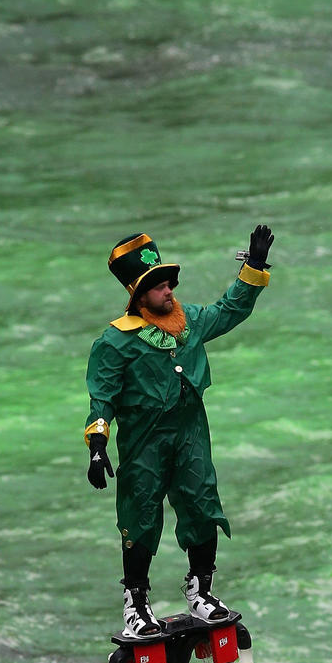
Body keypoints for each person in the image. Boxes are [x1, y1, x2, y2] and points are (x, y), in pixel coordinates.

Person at [84, 225, 274, 638]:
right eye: (159, 287)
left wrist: (254, 268)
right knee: (141, 515)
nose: (169, 292)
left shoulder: (189, 323)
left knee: (203, 503)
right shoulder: (115, 341)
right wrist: (98, 445)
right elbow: (102, 397)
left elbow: (230, 309)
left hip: (191, 433)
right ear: (138, 294)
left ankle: (201, 590)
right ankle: (135, 602)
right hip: (144, 441)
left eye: (170, 284)